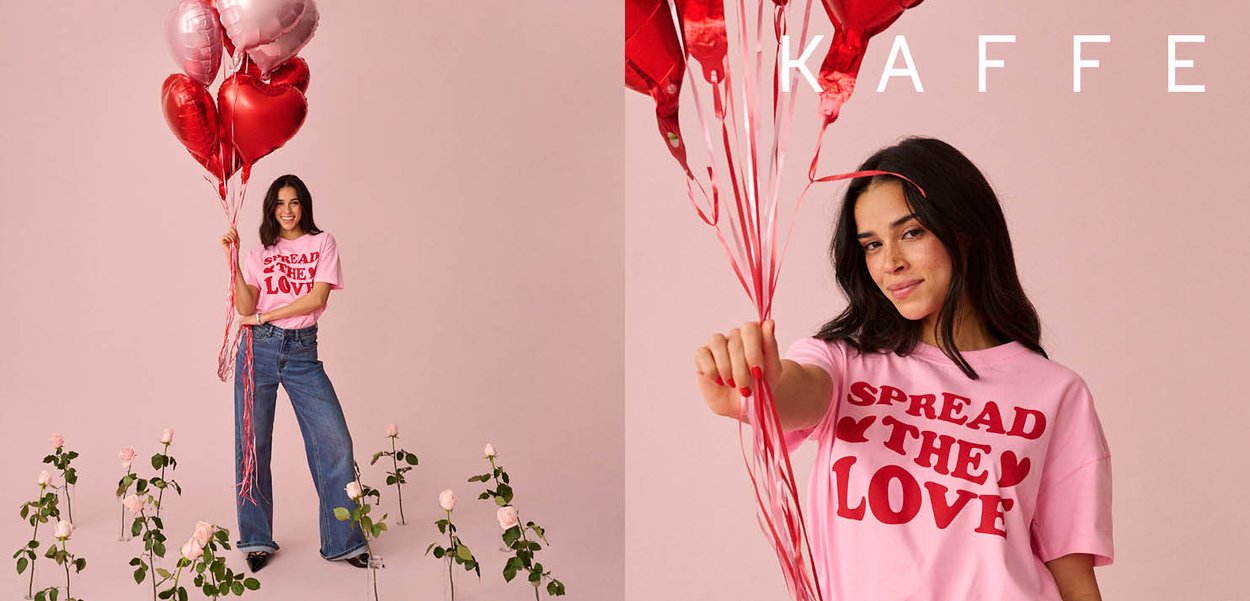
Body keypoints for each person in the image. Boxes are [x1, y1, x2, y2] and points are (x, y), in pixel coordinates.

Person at [694, 138, 1112, 601]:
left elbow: (1073, 578)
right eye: (871, 244)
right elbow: (796, 393)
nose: (890, 262)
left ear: (966, 231)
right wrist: (759, 386)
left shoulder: (1056, 393)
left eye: (911, 233)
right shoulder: (842, 362)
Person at [220, 174, 369, 572]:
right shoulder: (260, 252)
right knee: (251, 447)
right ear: (271, 209)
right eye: (280, 204)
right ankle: (255, 539)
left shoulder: (322, 244)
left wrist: (266, 314)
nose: (287, 211)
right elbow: (244, 306)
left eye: (294, 202)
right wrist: (233, 262)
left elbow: (317, 297)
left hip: (302, 352)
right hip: (258, 351)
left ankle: (344, 542)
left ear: (304, 206)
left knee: (335, 441)